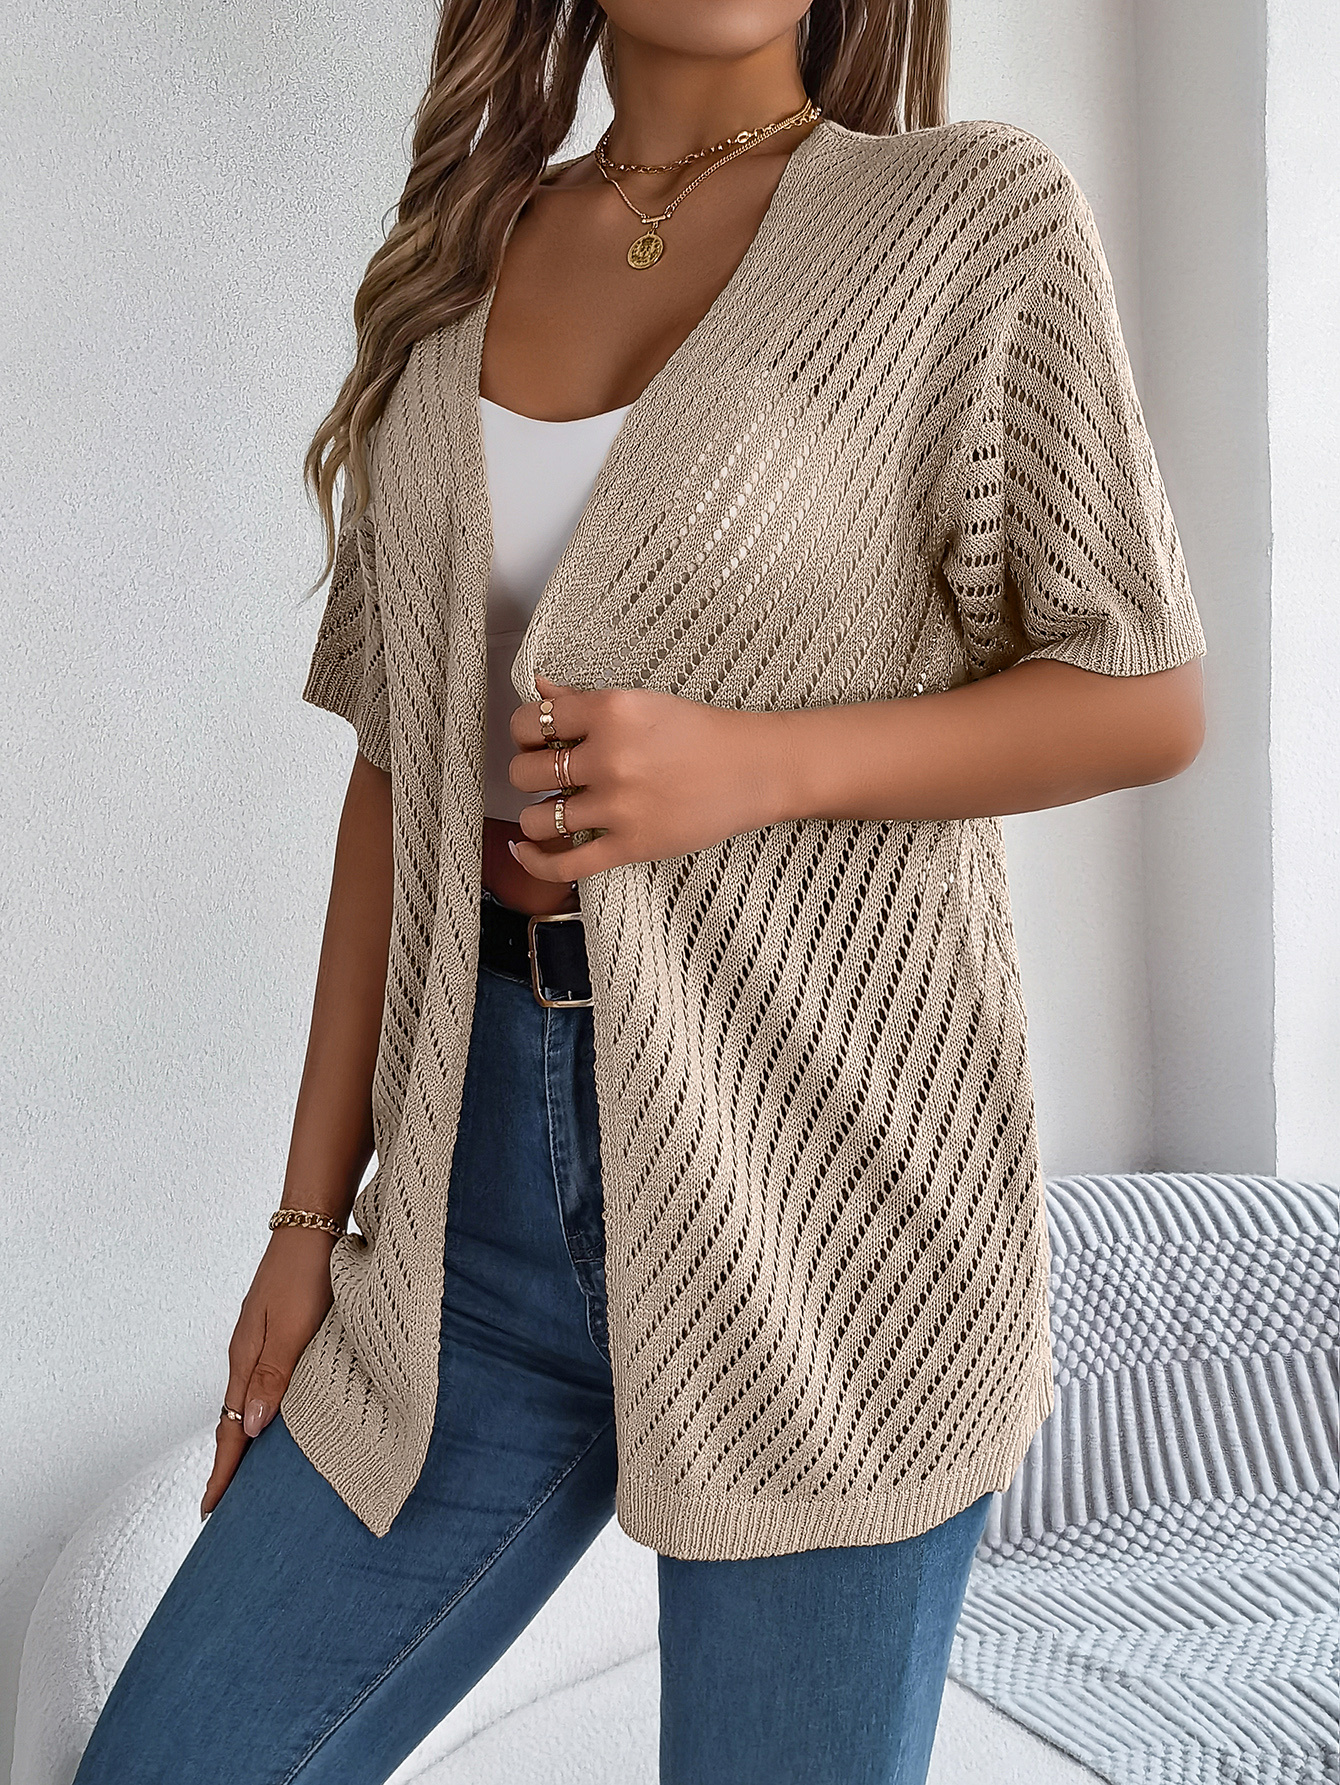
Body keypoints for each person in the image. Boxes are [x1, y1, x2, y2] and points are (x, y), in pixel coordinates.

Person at [72, 1, 1208, 1781]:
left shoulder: (965, 218)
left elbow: (1145, 691)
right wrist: (306, 1222)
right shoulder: (464, 254)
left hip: (829, 1206)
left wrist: (758, 765)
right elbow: (396, 775)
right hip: (470, 1214)